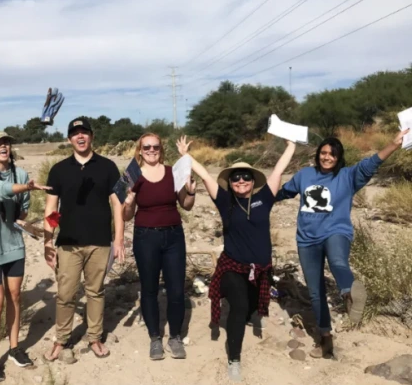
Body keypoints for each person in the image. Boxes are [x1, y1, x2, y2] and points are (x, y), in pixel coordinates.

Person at [276, 128, 410, 358]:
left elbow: (370, 164)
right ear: (318, 153)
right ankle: (325, 338)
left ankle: (350, 293)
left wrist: (392, 145)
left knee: (338, 260)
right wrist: (253, 197)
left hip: (336, 232)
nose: (327, 157)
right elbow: (280, 194)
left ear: (339, 158)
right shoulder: (304, 176)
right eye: (324, 153)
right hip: (306, 240)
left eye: (332, 154)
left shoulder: (347, 176)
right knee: (315, 292)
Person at [176, 135, 296, 382]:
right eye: (236, 177)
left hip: (261, 268)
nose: (241, 181)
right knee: (239, 307)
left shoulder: (265, 198)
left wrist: (291, 146)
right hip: (232, 266)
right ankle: (234, 360)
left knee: (252, 306)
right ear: (230, 182)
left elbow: (279, 169)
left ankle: (250, 309)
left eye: (246, 177)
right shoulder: (225, 201)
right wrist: (185, 155)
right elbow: (206, 176)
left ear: (253, 181)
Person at [43, 117, 125, 362]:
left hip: (99, 242)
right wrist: (48, 241)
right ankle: (61, 339)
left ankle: (95, 338)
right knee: (66, 294)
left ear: (92, 136)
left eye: (84, 133)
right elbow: (52, 210)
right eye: (75, 133)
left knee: (95, 292)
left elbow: (117, 204)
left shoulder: (108, 167)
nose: (80, 137)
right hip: (68, 243)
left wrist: (119, 239)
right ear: (69, 139)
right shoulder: (59, 170)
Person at [0, 130, 51, 382]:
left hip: (14, 245)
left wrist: (25, 223)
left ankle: (15, 346)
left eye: (6, 142)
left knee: (15, 296)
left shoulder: (21, 173)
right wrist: (26, 187)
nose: (3, 146)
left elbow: (24, 208)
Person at [122, 133, 196, 360]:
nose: (151, 150)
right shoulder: (131, 174)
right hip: (146, 237)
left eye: (155, 146)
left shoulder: (172, 171)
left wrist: (190, 190)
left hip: (174, 236)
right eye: (147, 147)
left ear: (161, 149)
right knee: (150, 288)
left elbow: (187, 205)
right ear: (139, 150)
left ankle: (174, 336)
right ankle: (155, 338)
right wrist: (129, 201)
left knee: (175, 289)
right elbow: (126, 216)